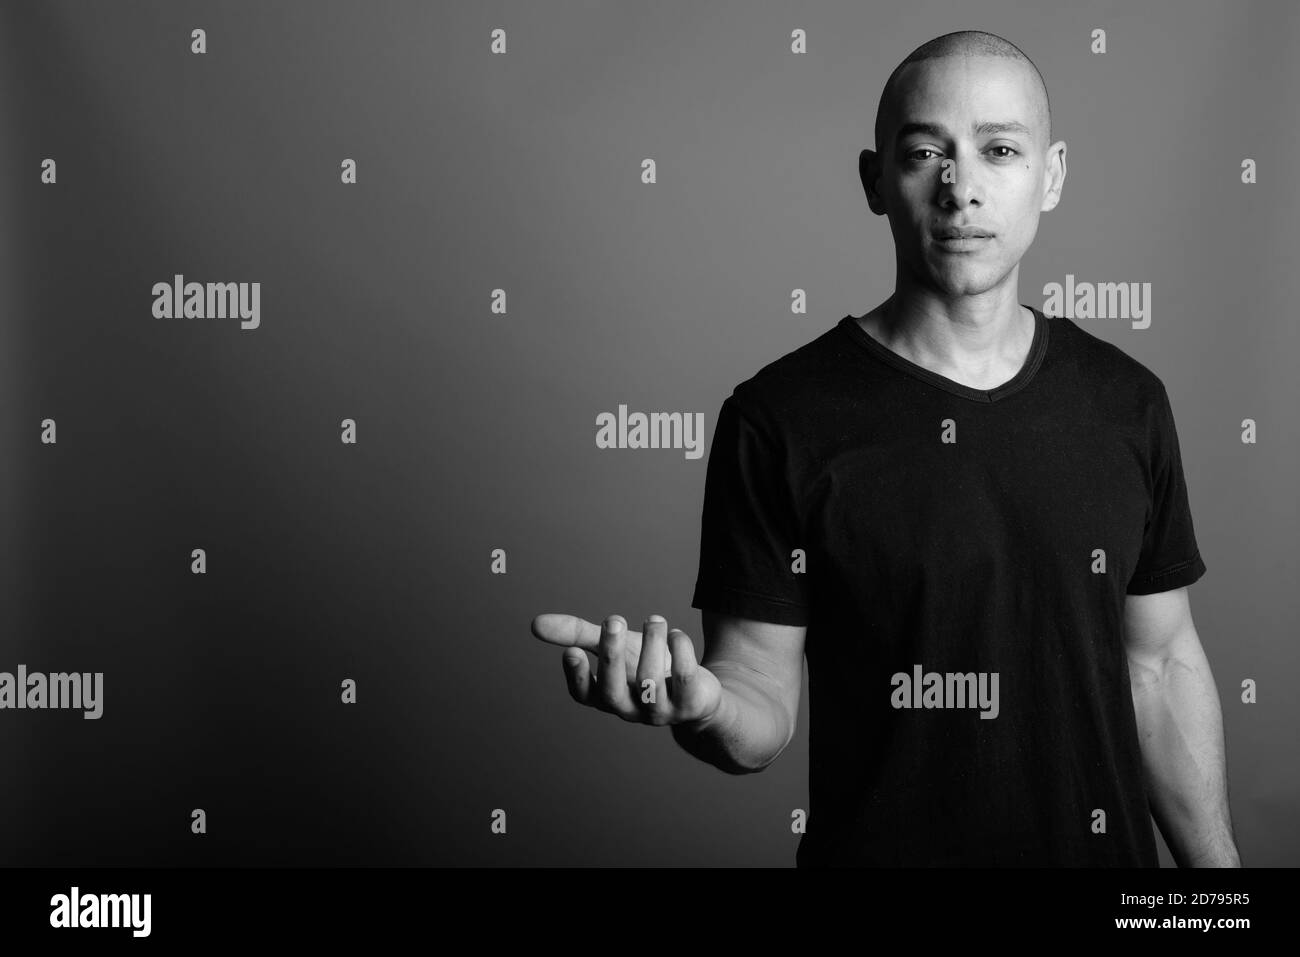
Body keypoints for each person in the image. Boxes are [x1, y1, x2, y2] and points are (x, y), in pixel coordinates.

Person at [531, 30, 1240, 867]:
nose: (960, 188)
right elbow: (756, 695)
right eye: (924, 152)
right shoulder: (779, 418)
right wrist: (705, 707)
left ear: (1050, 176)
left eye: (999, 150)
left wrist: (1219, 890)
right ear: (876, 181)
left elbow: (1157, 664)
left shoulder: (1128, 402)